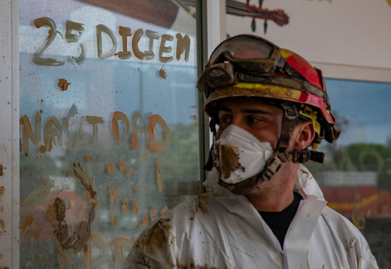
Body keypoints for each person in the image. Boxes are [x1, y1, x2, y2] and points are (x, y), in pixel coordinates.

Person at [124, 35, 378, 269]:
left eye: (254, 119)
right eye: (225, 119)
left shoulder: (345, 242)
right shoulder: (171, 239)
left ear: (302, 135)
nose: (230, 135)